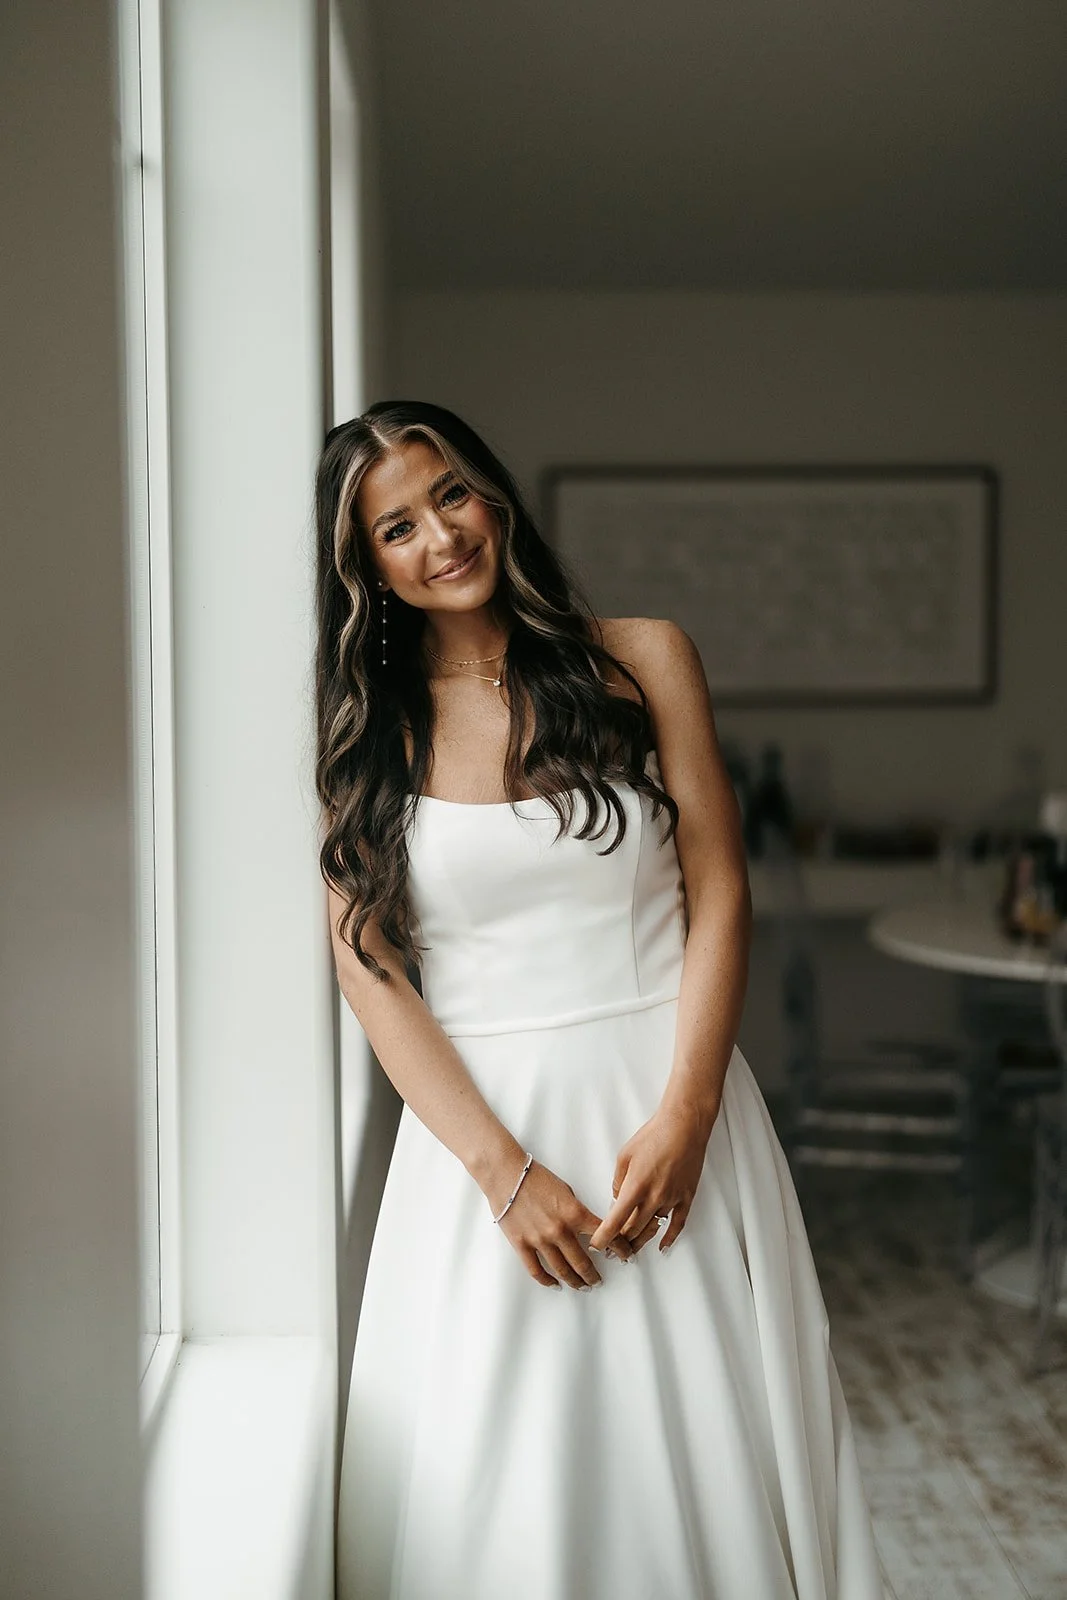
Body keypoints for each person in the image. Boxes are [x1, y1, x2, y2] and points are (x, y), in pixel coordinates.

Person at [315, 400, 884, 1600]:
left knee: (706, 1450)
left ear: (496, 493)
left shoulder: (643, 655)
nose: (441, 537)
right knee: (498, 1476)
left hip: (667, 1106)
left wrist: (685, 1121)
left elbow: (717, 890)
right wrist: (502, 1174)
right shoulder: (366, 733)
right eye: (396, 527)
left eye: (451, 494)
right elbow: (367, 966)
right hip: (479, 1146)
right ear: (367, 567)